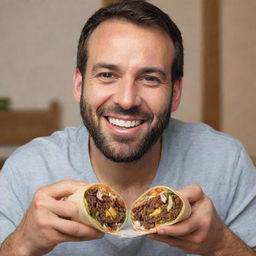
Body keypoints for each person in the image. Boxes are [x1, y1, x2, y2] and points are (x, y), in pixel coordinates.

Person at [0, 1, 256, 255]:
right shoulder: (27, 170)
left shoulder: (225, 163)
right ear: (79, 85)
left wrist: (222, 244)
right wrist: (22, 244)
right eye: (107, 75)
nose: (126, 99)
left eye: (149, 78)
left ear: (175, 93)